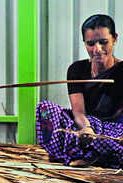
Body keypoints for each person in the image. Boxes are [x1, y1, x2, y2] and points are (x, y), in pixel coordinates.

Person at [36, 14, 123, 168]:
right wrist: (86, 129)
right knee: (45, 109)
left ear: (115, 38)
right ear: (84, 43)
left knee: (114, 140)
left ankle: (81, 154)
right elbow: (79, 112)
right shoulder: (76, 70)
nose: (97, 49)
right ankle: (94, 155)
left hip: (113, 129)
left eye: (103, 42)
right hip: (84, 125)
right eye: (90, 44)